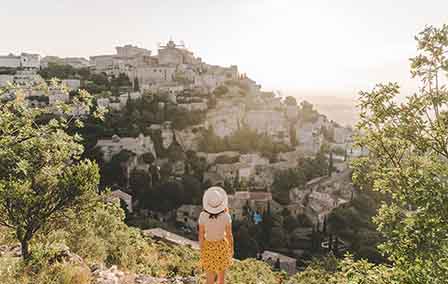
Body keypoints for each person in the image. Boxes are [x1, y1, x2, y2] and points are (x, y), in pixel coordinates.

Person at [198, 186, 234, 284]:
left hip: (208, 246)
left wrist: (202, 249)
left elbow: (201, 235)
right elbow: (229, 235)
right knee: (221, 279)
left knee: (209, 279)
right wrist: (231, 249)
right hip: (222, 246)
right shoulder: (226, 216)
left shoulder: (203, 216)